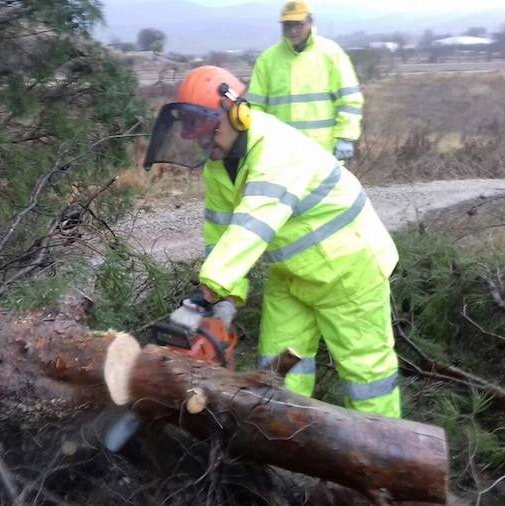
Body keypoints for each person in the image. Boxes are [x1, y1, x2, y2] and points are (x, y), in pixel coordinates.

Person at [143, 65, 401, 418]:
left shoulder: (276, 152)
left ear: (238, 113)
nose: (206, 144)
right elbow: (221, 233)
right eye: (199, 138)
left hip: (349, 267)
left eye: (210, 133)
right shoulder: (218, 166)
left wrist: (201, 299)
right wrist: (225, 303)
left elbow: (253, 226)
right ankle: (285, 441)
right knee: (277, 369)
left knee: (366, 374)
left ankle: (386, 453)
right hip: (292, 273)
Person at [246, 0, 363, 161]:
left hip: (323, 152)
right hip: (280, 151)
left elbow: (349, 100)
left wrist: (345, 137)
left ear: (310, 22)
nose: (293, 31)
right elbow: (255, 108)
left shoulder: (331, 54)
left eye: (298, 24)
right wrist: (255, 142)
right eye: (287, 25)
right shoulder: (267, 60)